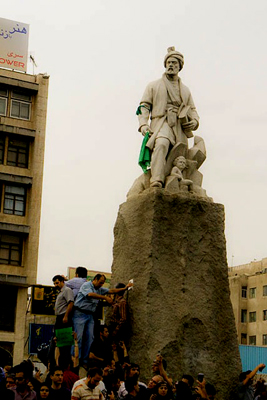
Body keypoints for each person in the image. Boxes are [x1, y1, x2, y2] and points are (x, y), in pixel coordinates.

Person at [137, 46, 199, 188]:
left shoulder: (185, 90)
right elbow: (144, 106)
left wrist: (194, 122)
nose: (171, 65)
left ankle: (178, 184)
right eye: (169, 62)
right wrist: (143, 124)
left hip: (179, 125)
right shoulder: (153, 85)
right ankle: (157, 180)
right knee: (161, 144)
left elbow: (193, 110)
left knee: (180, 156)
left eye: (174, 63)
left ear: (179, 67)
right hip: (162, 122)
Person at [73, 274, 133, 367]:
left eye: (103, 283)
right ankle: (75, 359)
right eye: (100, 282)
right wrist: (105, 297)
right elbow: (90, 294)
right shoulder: (87, 285)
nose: (101, 284)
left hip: (90, 314)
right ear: (95, 279)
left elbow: (112, 291)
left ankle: (84, 360)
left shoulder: (100, 289)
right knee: (78, 337)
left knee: (90, 337)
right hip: (80, 313)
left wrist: (125, 288)